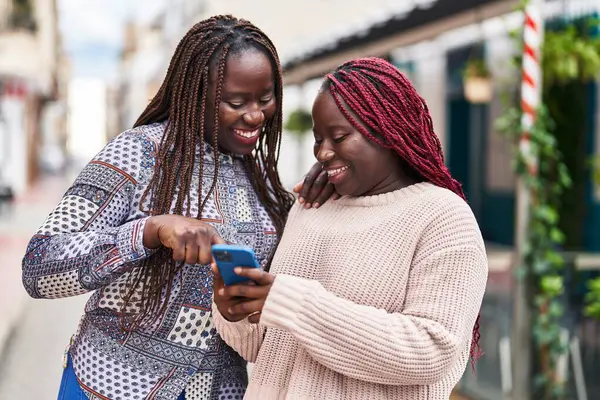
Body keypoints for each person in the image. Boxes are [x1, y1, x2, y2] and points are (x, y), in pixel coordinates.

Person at [22, 15, 332, 400]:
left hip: (221, 391)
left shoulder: (265, 181)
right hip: (110, 385)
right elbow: (38, 267)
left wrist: (331, 194)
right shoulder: (136, 153)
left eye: (265, 99)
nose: (255, 116)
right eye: (236, 102)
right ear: (194, 94)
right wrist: (148, 231)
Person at [212, 57, 488, 400]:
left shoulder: (443, 217)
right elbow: (267, 350)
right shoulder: (311, 207)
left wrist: (292, 302)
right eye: (318, 139)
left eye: (339, 136)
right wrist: (236, 310)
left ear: (389, 131)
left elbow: (430, 352)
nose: (323, 153)